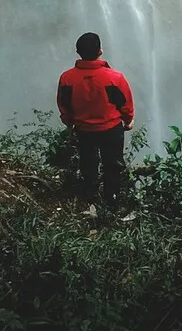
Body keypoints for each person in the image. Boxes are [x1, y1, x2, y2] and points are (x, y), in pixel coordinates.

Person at [56, 32, 134, 208]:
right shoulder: (114, 78)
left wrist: (69, 122)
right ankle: (111, 201)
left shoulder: (67, 78)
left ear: (78, 52)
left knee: (88, 163)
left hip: (84, 130)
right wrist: (128, 120)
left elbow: (64, 104)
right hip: (111, 129)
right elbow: (125, 103)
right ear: (100, 51)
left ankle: (89, 197)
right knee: (113, 165)